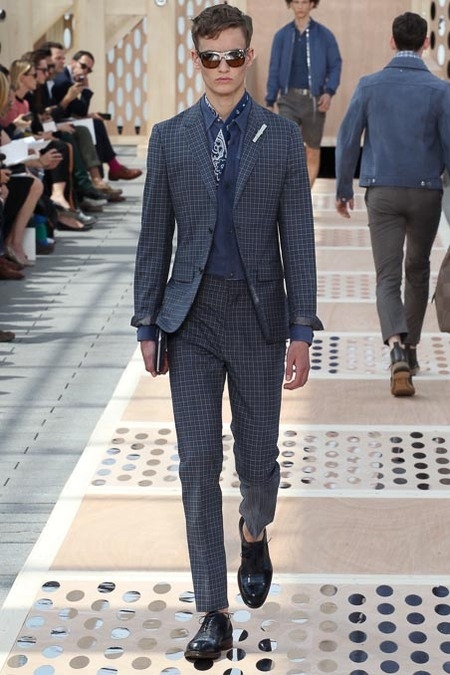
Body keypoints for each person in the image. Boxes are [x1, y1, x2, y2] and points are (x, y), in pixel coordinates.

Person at [132, 3, 322, 661]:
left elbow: (298, 238)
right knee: (196, 464)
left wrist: (302, 328)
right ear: (197, 59)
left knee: (257, 461)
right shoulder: (170, 138)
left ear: (249, 57)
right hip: (191, 319)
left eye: (233, 55)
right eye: (211, 56)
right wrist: (146, 319)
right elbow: (154, 235)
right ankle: (212, 609)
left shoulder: (281, 135)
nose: (222, 67)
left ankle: (253, 529)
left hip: (260, 317)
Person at [335, 12, 450, 398]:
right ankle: (412, 351)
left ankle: (397, 347)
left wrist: (344, 188)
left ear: (391, 41)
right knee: (417, 269)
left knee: (387, 277)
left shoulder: (370, 85)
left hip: (382, 192)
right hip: (426, 192)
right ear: (426, 44)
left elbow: (348, 138)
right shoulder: (440, 90)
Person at [266, 0, 342, 186]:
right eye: (296, 2)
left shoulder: (324, 35)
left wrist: (328, 92)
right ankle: (289, 193)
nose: (300, 6)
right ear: (290, 4)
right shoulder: (282, 36)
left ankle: (305, 195)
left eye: (304, 2)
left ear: (311, 4)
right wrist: (270, 100)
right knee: (286, 148)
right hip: (287, 99)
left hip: (314, 100)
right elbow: (274, 69)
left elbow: (335, 65)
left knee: (312, 150)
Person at [51, 49, 142, 183]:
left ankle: (108, 171)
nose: (85, 71)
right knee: (94, 125)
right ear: (73, 62)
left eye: (89, 70)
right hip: (57, 123)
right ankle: (107, 172)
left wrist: (88, 114)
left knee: (96, 123)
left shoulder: (69, 78)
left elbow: (76, 110)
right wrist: (86, 89)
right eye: (83, 66)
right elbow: (80, 110)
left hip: (65, 119)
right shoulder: (63, 80)